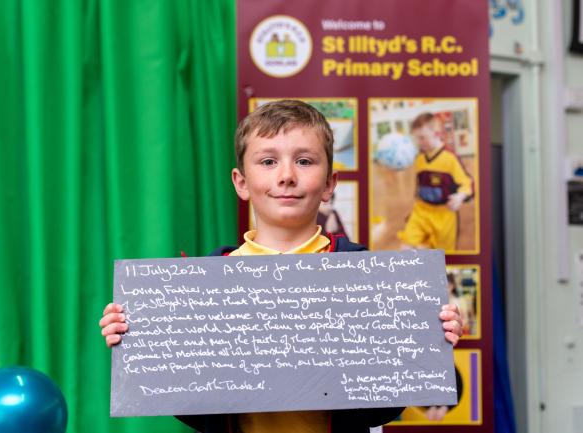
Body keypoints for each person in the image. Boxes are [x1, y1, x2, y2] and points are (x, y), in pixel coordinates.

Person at [100, 100, 464, 433]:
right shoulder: (208, 282)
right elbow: (195, 402)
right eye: (268, 161)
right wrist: (137, 338)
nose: (286, 175)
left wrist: (435, 338)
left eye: (304, 161)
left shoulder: (366, 275)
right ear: (241, 183)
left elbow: (388, 402)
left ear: (328, 184)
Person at [398, 112, 473, 252]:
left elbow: (467, 182)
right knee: (405, 248)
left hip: (444, 215)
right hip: (421, 212)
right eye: (416, 138)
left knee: (442, 256)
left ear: (437, 134)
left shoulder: (450, 158)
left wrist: (460, 196)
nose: (419, 142)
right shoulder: (420, 158)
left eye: (422, 138)